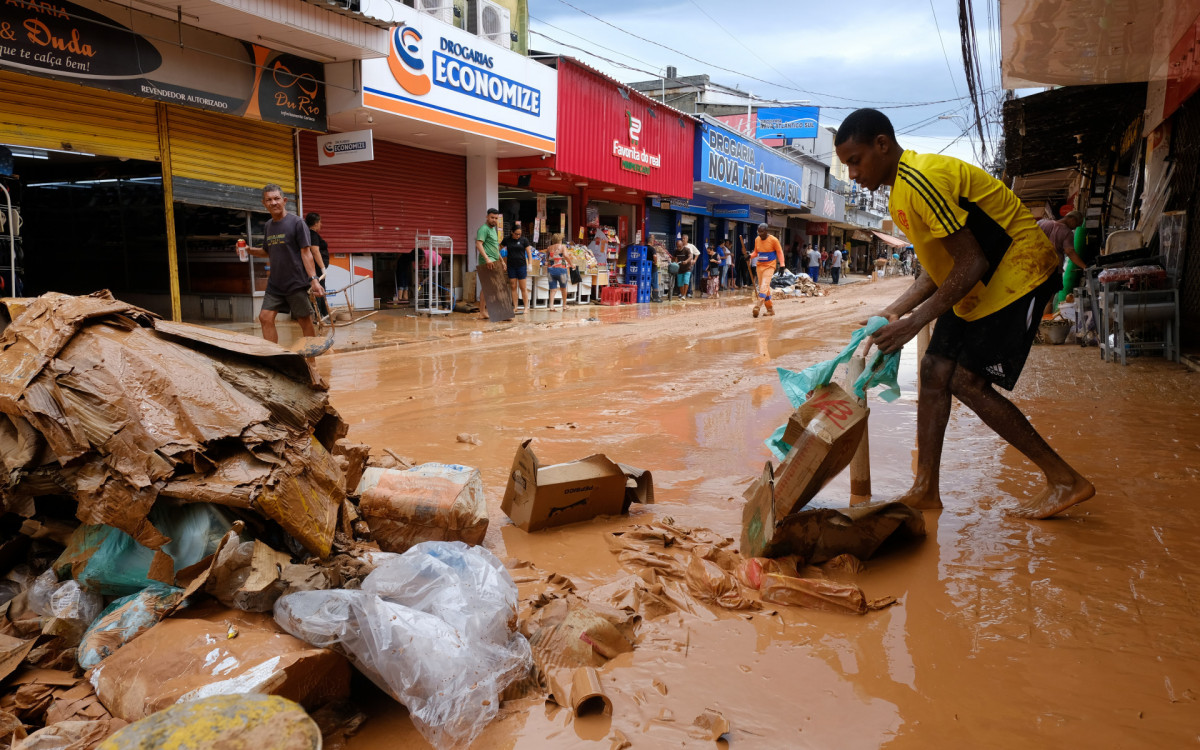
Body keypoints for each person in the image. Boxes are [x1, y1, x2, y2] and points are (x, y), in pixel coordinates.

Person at [834, 107, 1093, 519]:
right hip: (980, 283)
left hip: (1018, 273)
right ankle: (925, 489)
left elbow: (970, 263)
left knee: (966, 381)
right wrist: (893, 310)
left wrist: (915, 322)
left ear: (882, 145)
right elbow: (939, 270)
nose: (852, 174)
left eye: (855, 161)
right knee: (935, 371)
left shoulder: (922, 179)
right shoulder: (901, 191)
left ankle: (1064, 480)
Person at [245, 184, 324, 344]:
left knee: (304, 321)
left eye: (276, 198)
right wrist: (248, 249)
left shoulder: (297, 223)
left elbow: (306, 252)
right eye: (269, 200)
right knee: (265, 318)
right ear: (264, 203)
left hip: (295, 282)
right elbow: (266, 251)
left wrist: (314, 280)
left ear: (284, 200)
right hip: (275, 283)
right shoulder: (268, 226)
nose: (273, 202)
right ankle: (276, 359)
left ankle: (311, 362)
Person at [474, 208, 503, 321]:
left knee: (492, 288)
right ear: (487, 217)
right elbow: (478, 244)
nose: (494, 220)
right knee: (488, 288)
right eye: (492, 217)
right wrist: (487, 259)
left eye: (496, 218)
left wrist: (502, 261)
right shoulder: (484, 229)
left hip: (494, 261)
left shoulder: (493, 230)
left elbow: (495, 248)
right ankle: (482, 312)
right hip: (487, 262)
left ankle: (491, 311)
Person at [749, 223, 781, 317]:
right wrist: (749, 256)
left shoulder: (774, 240)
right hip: (760, 266)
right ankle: (770, 309)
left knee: (764, 286)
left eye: (762, 232)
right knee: (765, 289)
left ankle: (757, 306)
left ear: (766, 231)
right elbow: (756, 252)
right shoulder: (757, 239)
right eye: (758, 232)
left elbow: (779, 252)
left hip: (770, 266)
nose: (760, 234)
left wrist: (782, 265)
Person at [502, 224, 533, 313]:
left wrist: (530, 264)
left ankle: (526, 307)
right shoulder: (507, 240)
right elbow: (498, 248)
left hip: (521, 266)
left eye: (519, 234)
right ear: (512, 232)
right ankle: (515, 306)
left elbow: (529, 253)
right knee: (513, 286)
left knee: (523, 287)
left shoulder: (524, 240)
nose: (518, 236)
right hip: (511, 266)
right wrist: (500, 260)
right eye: (516, 234)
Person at [305, 212, 330, 320]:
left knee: (320, 290)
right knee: (319, 290)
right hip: (316, 269)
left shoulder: (309, 234)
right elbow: (315, 251)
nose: (321, 224)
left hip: (316, 268)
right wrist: (323, 268)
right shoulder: (312, 234)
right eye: (320, 222)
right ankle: (320, 316)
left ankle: (323, 315)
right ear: (315, 223)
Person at [545, 233, 570, 309]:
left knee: (552, 289)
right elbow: (565, 256)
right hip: (561, 270)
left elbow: (547, 259)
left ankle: (551, 305)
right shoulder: (563, 247)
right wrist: (571, 263)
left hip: (550, 270)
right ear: (560, 240)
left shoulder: (549, 248)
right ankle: (564, 305)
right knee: (563, 288)